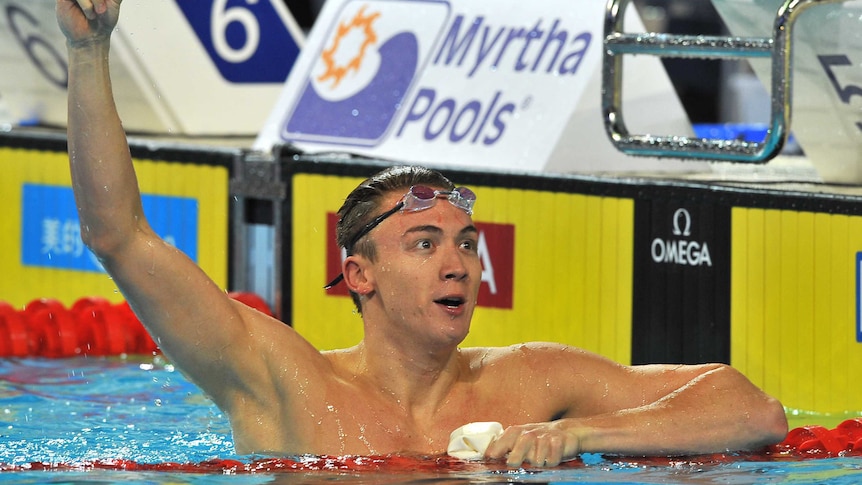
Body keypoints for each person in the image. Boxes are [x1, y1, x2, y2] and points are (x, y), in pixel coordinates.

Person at [57, 0, 788, 468]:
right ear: (360, 273)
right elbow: (116, 233)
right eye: (424, 242)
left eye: (466, 242)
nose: (458, 261)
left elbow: (749, 408)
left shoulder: (526, 380)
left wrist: (581, 434)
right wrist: (89, 55)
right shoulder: (283, 378)